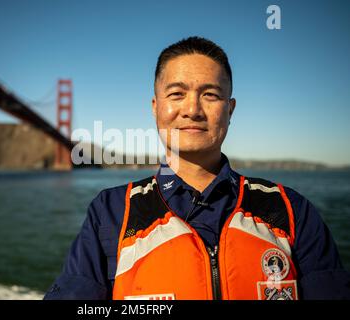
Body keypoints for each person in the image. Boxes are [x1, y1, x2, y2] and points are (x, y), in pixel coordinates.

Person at [44, 36, 350, 300]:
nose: (192, 110)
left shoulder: (291, 210)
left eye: (210, 95)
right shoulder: (110, 213)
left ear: (229, 110)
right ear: (155, 108)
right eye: (177, 94)